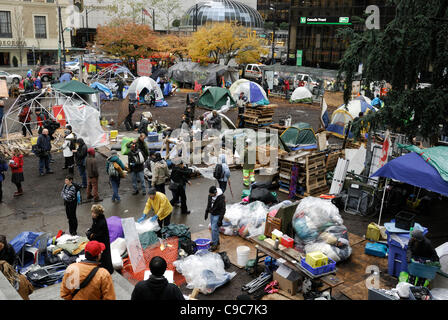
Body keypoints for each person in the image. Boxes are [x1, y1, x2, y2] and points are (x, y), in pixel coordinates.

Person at [86, 205, 113, 274]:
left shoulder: (101, 222)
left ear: (97, 214)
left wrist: (91, 235)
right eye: (92, 212)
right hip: (100, 242)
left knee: (104, 258)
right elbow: (94, 229)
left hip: (103, 243)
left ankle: (106, 271)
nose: (92, 214)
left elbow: (98, 235)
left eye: (94, 213)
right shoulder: (96, 220)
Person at [204, 186, 226, 252]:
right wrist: (206, 211)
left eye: (211, 194)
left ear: (215, 193)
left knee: (213, 229)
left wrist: (220, 219)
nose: (210, 195)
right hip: (212, 213)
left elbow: (223, 209)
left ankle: (215, 244)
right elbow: (209, 204)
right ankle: (216, 241)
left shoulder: (221, 198)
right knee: (215, 229)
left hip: (217, 214)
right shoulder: (210, 195)